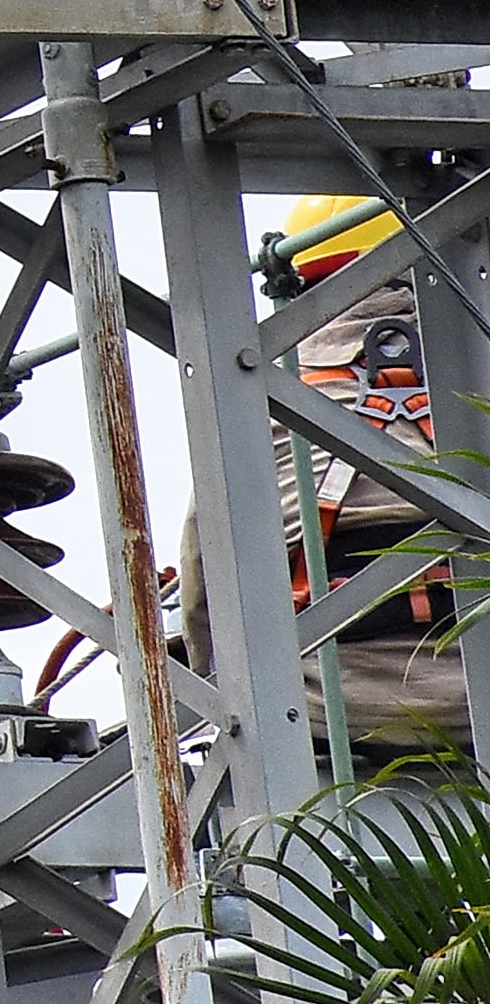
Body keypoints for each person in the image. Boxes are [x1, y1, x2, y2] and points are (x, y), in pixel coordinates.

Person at [185, 195, 473, 769]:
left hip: (325, 707)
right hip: (476, 702)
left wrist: (215, 694)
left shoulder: (256, 397)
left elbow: (203, 584)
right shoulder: (478, 373)